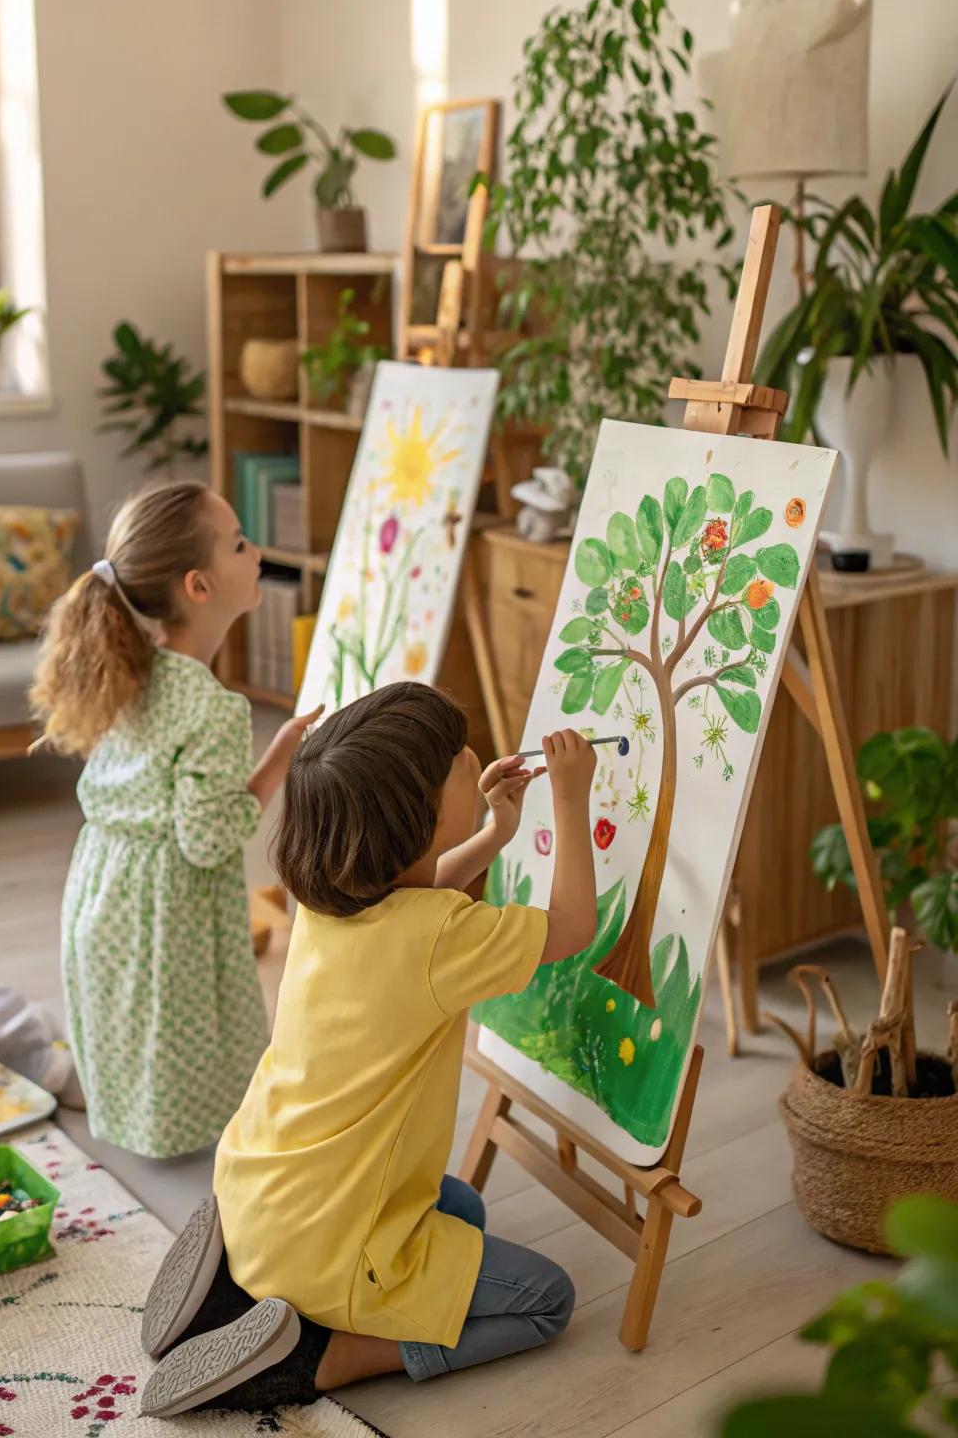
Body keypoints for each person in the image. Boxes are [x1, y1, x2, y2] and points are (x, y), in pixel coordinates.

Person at [140, 682, 597, 1416]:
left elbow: (420, 909)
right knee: (548, 1300)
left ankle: (238, 1284)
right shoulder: (442, 937)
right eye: (454, 760)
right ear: (418, 820)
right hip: (335, 1241)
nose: (471, 755)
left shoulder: (330, 902)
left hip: (260, 1192)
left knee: (463, 1208)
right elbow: (572, 925)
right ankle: (324, 1355)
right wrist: (572, 801)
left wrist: (493, 834)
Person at [30, 480, 319, 1158]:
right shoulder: (212, 708)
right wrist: (280, 756)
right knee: (180, 1030)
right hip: (165, 913)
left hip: (102, 890)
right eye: (242, 544)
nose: (257, 553)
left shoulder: (131, 670)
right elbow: (207, 836)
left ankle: (139, 1132)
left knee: (130, 1028)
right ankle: (206, 1173)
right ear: (198, 586)